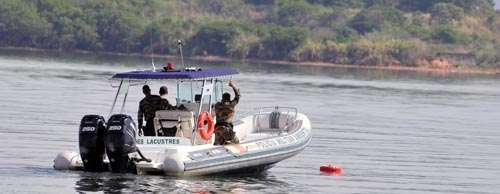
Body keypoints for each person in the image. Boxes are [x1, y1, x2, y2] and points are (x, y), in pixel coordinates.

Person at [213, 80, 240, 145]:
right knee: (237, 142)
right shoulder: (231, 105)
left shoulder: (217, 105)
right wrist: (233, 86)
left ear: (222, 98)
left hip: (217, 129)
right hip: (226, 128)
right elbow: (238, 96)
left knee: (217, 145)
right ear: (229, 98)